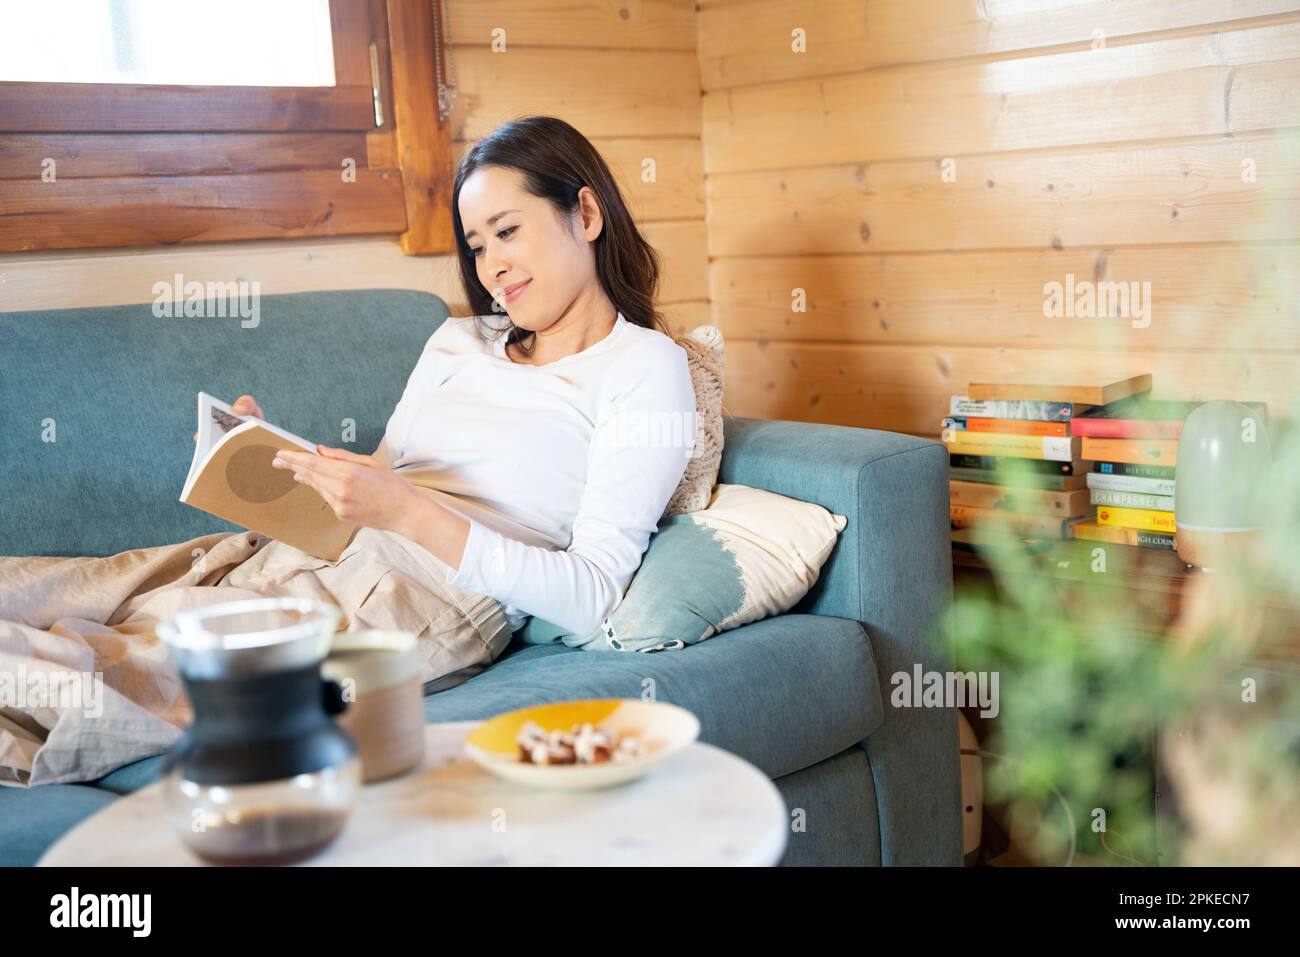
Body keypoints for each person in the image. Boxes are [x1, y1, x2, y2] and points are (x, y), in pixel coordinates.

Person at [0, 115, 696, 787]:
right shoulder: (460, 341)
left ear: (586, 213)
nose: (492, 268)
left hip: (418, 600)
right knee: (53, 590)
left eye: (507, 232)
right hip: (314, 553)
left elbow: (590, 593)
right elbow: (381, 482)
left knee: (108, 674)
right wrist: (270, 460)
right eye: (478, 246)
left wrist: (409, 514)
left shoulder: (644, 368)